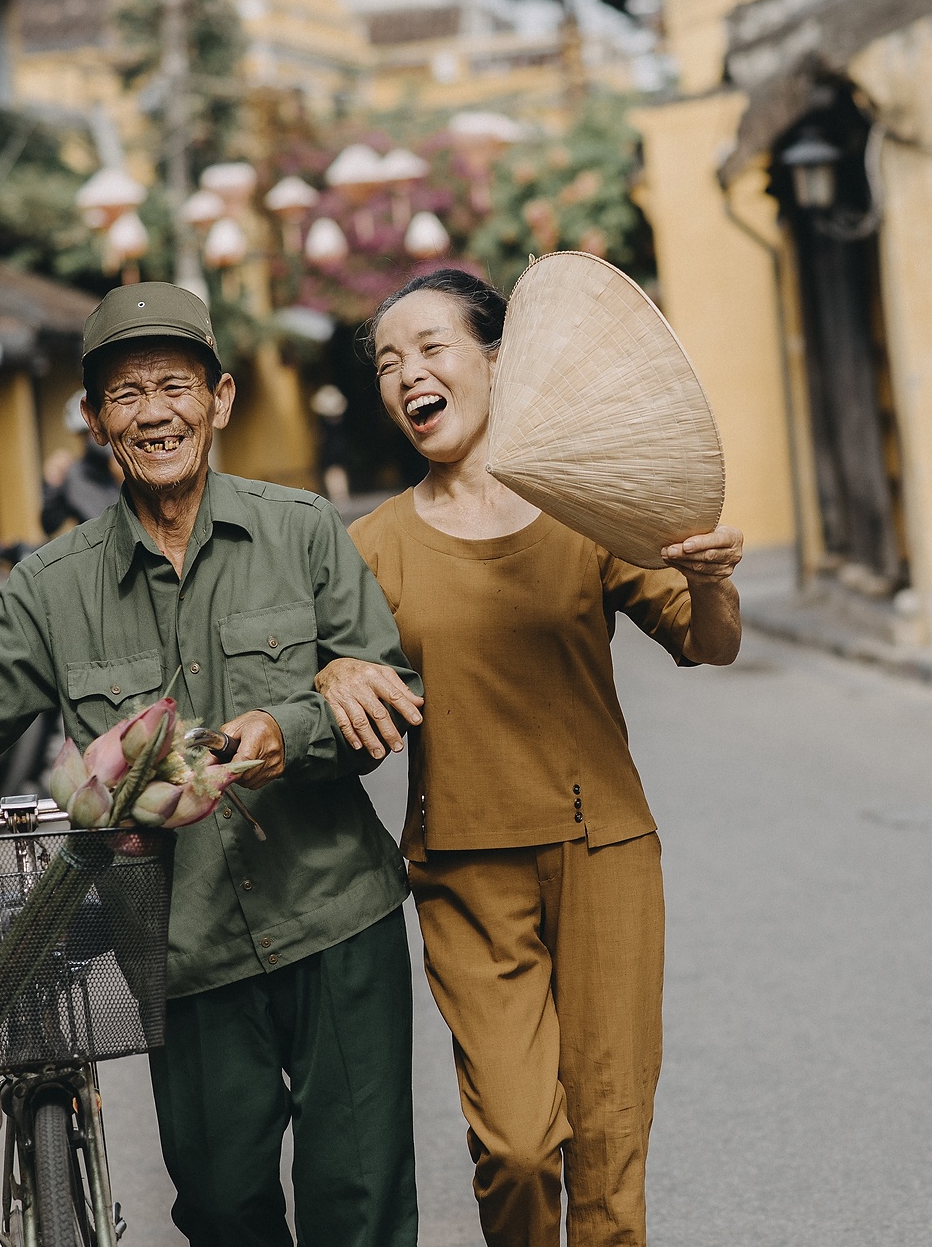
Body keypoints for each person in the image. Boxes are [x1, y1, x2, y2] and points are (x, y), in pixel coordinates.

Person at [0, 282, 422, 1247]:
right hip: (184, 948)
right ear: (94, 419)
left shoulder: (303, 530)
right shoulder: (54, 586)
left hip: (336, 920)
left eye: (174, 386)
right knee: (222, 1207)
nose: (153, 414)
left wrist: (292, 729)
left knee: (360, 1203)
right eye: (125, 394)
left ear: (220, 398)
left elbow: (387, 693)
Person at [326, 269, 744, 1247]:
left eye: (432, 347)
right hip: (463, 868)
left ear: (497, 360)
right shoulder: (370, 547)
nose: (409, 374)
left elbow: (708, 642)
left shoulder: (584, 507)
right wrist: (332, 675)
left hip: (605, 852)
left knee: (609, 1146)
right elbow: (334, 685)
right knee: (515, 1146)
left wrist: (710, 582)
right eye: (388, 363)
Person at [42, 392, 123, 533]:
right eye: (88, 433)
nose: (96, 438)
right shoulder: (73, 474)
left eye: (101, 429)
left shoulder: (127, 464)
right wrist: (52, 485)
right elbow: (49, 525)